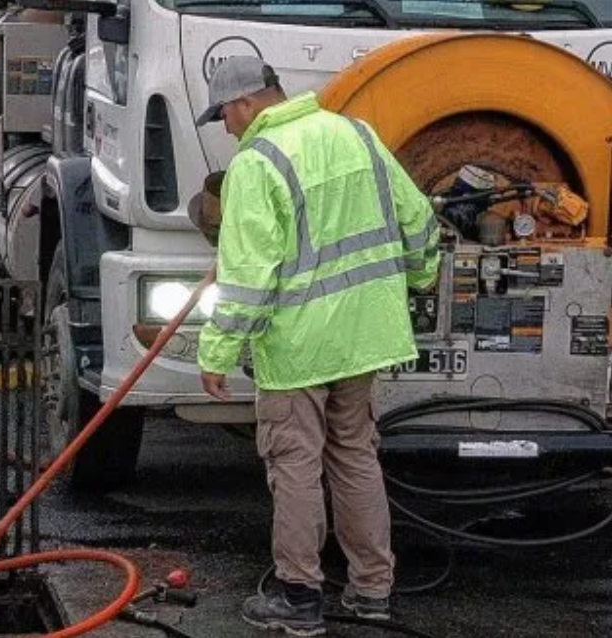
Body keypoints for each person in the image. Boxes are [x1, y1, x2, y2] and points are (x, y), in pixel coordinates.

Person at [194, 57, 439, 636]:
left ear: (245, 104)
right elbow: (419, 220)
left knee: (295, 464)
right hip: (366, 337)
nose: (227, 128)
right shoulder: (356, 134)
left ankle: (299, 596)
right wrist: (421, 277)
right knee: (355, 454)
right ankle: (371, 590)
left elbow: (250, 277)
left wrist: (217, 352)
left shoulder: (258, 163)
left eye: (224, 116)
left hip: (300, 346)